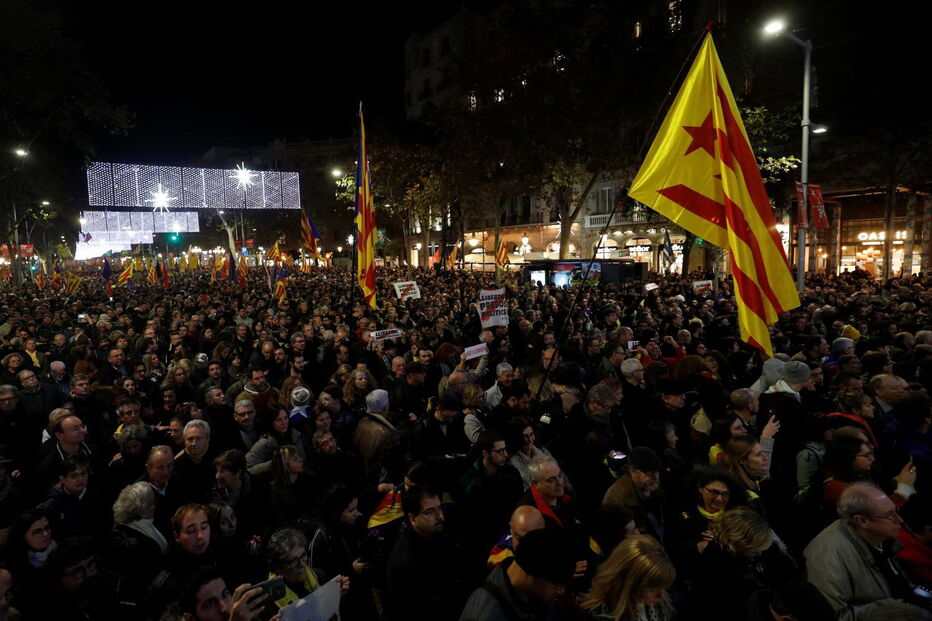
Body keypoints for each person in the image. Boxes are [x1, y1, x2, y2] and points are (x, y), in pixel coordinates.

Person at [805, 482, 932, 620]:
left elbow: (903, 584)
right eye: (890, 515)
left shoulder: (881, 538)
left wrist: (922, 597)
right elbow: (834, 616)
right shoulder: (827, 557)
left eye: (896, 511)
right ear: (863, 521)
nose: (899, 520)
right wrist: (894, 609)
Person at [688, 507, 796, 621]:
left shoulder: (753, 551)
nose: (759, 553)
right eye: (755, 549)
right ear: (741, 541)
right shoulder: (716, 564)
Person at [386, 485, 471, 621]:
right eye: (430, 512)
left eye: (439, 508)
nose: (440, 516)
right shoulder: (403, 566)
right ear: (413, 519)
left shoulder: (440, 531)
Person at [460, 527, 577, 621]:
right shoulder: (485, 615)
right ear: (530, 574)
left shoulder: (537, 594)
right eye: (557, 585)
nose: (561, 591)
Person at [579, 535, 676, 621]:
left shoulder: (661, 607)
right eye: (652, 589)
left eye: (662, 587)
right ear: (627, 584)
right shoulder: (596, 615)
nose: (660, 597)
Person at [107, 481, 169, 616]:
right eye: (151, 503)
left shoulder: (128, 525)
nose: (154, 506)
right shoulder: (140, 546)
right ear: (140, 509)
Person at [265, 527, 349, 609]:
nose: (302, 564)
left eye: (303, 555)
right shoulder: (270, 603)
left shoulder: (318, 575)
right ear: (277, 569)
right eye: (292, 561)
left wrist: (336, 595)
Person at [602, 447, 666, 543]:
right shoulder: (616, 499)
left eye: (657, 471)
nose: (656, 477)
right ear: (634, 472)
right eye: (650, 473)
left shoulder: (652, 485)